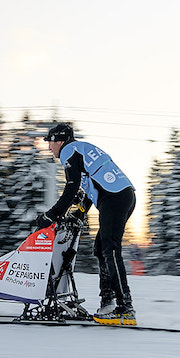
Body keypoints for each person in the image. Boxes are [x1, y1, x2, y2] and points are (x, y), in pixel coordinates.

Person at [41, 123, 137, 326]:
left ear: (60, 140)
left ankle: (124, 309)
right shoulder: (82, 148)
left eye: (50, 142)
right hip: (122, 195)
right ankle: (108, 302)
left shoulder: (69, 150)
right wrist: (81, 210)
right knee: (101, 248)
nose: (50, 147)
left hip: (114, 198)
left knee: (110, 250)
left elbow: (72, 186)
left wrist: (53, 214)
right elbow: (91, 184)